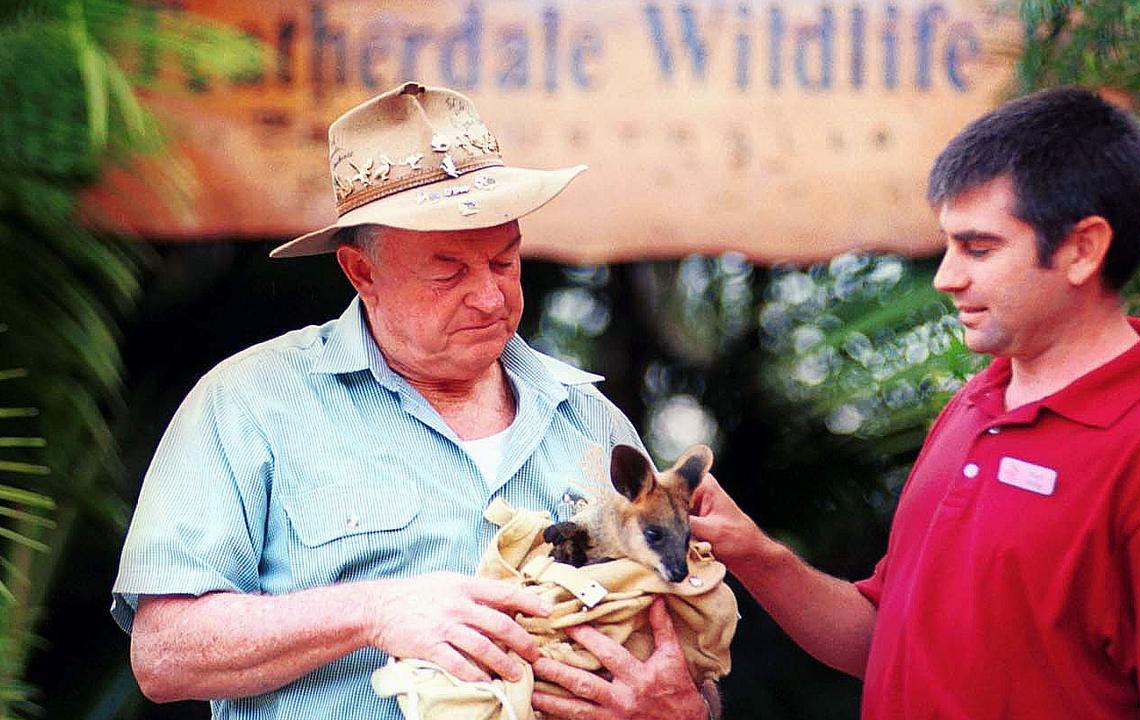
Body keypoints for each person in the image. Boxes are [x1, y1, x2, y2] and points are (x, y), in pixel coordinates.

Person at [111, 83, 714, 720]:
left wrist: (686, 709)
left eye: (505, 263)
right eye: (449, 271)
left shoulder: (591, 420)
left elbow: (684, 641)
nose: (490, 298)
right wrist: (374, 612)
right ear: (361, 273)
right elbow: (163, 653)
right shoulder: (251, 404)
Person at [690, 86, 1140, 718]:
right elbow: (885, 643)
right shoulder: (977, 403)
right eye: (947, 245)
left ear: (1082, 249)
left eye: (980, 248)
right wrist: (756, 553)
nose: (946, 277)